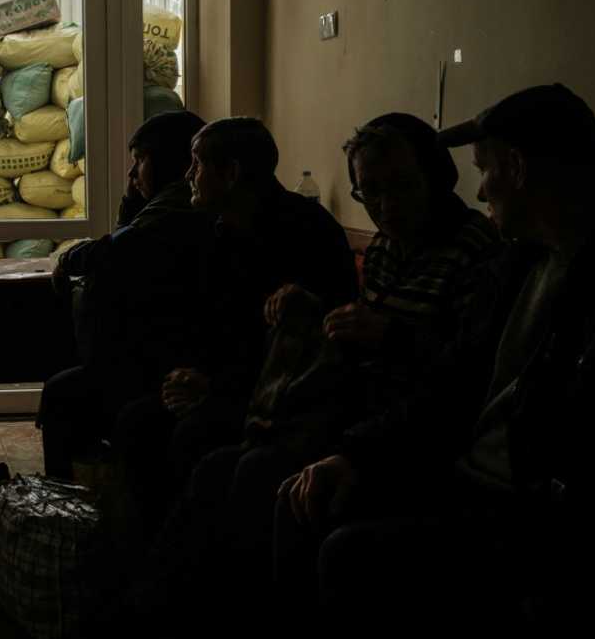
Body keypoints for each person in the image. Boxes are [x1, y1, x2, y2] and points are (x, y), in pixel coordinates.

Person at [278, 84, 595, 631]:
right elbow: (451, 382)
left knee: (344, 551)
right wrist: (356, 456)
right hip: (459, 473)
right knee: (299, 497)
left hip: (525, 514)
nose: (479, 191)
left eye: (485, 170)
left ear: (519, 169)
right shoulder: (521, 260)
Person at [110, 113, 500, 633]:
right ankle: (155, 599)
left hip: (410, 432)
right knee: (197, 453)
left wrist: (380, 340)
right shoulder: (385, 246)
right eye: (369, 194)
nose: (384, 207)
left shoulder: (473, 252)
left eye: (400, 187)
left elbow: (463, 374)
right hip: (342, 405)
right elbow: (313, 341)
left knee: (242, 462)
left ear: (437, 178)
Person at [112, 117, 358, 538]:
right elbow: (204, 321)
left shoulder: (306, 233)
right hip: (228, 381)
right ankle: (146, 549)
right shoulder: (219, 231)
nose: (188, 176)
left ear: (231, 174)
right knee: (137, 420)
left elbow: (303, 352)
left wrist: (215, 388)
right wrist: (189, 375)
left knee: (194, 438)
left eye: (197, 164)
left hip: (284, 398)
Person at [38, 111, 211, 480]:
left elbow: (114, 250)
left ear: (169, 161)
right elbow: (124, 242)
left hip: (165, 366)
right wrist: (133, 199)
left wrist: (69, 258)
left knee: (63, 393)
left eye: (140, 160)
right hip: (149, 360)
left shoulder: (183, 202)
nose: (132, 173)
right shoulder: (168, 203)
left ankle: (72, 508)